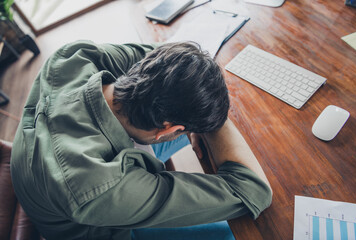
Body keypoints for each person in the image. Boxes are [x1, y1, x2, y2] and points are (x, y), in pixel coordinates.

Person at [10, 40, 272, 240]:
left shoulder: (72, 57)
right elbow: (253, 190)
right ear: (167, 129)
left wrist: (197, 112)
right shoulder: (101, 186)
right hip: (97, 225)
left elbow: (165, 55)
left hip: (58, 174)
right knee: (232, 232)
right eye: (181, 130)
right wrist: (213, 116)